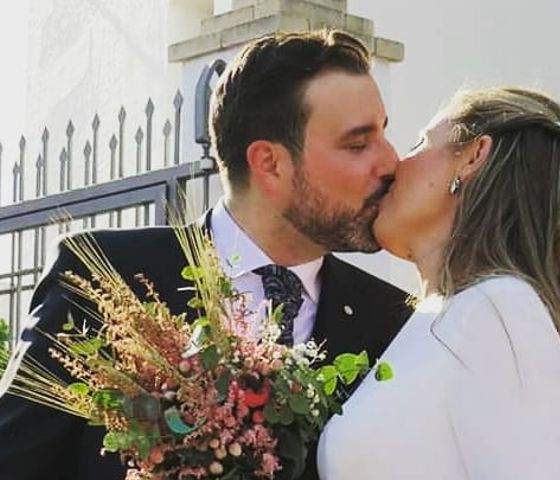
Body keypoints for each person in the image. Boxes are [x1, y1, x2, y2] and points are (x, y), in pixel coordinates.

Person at [0, 30, 412, 480]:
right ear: (269, 163)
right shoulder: (107, 277)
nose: (390, 162)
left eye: (384, 134)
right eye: (357, 143)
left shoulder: (392, 323)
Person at [318, 87, 560, 479]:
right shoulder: (441, 314)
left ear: (472, 157)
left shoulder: (501, 309)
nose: (395, 164)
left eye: (422, 142)